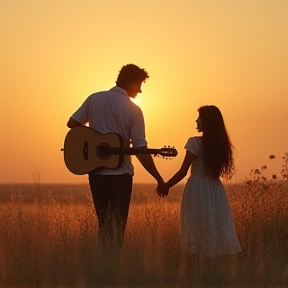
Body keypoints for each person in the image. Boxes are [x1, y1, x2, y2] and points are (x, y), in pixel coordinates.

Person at [67, 64, 165, 251]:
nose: (141, 90)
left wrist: (93, 141)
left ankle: (103, 266)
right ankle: (113, 269)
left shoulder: (94, 98)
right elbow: (140, 149)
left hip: (96, 174)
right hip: (121, 176)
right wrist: (159, 179)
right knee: (118, 227)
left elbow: (72, 123)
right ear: (131, 82)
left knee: (104, 225)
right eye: (139, 85)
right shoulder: (133, 109)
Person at [157, 105, 241, 257]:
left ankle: (199, 260)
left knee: (196, 225)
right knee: (215, 223)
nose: (196, 121)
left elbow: (183, 171)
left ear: (206, 121)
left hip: (197, 189)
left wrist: (165, 185)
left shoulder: (194, 143)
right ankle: (214, 260)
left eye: (199, 118)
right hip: (216, 190)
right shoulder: (221, 144)